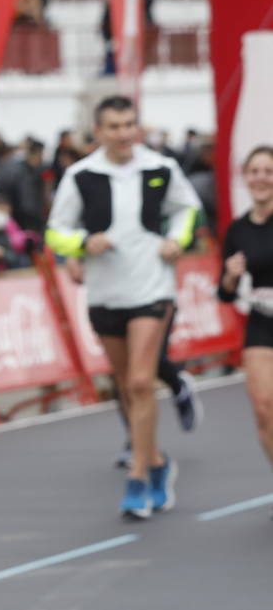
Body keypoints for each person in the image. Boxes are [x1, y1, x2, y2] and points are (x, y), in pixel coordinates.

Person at [46, 95, 202, 518]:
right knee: (125, 386)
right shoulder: (81, 175)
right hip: (104, 294)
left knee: (139, 381)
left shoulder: (161, 168)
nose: (123, 134)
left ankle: (136, 477)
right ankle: (156, 462)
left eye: (129, 124)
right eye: (114, 126)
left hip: (152, 288)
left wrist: (178, 239)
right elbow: (55, 232)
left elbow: (188, 211)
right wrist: (81, 243)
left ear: (138, 127)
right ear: (98, 132)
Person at [218, 146, 273, 481]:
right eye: (255, 171)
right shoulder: (237, 230)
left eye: (268, 171)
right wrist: (231, 274)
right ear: (245, 177)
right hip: (262, 323)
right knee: (264, 410)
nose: (261, 178)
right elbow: (224, 292)